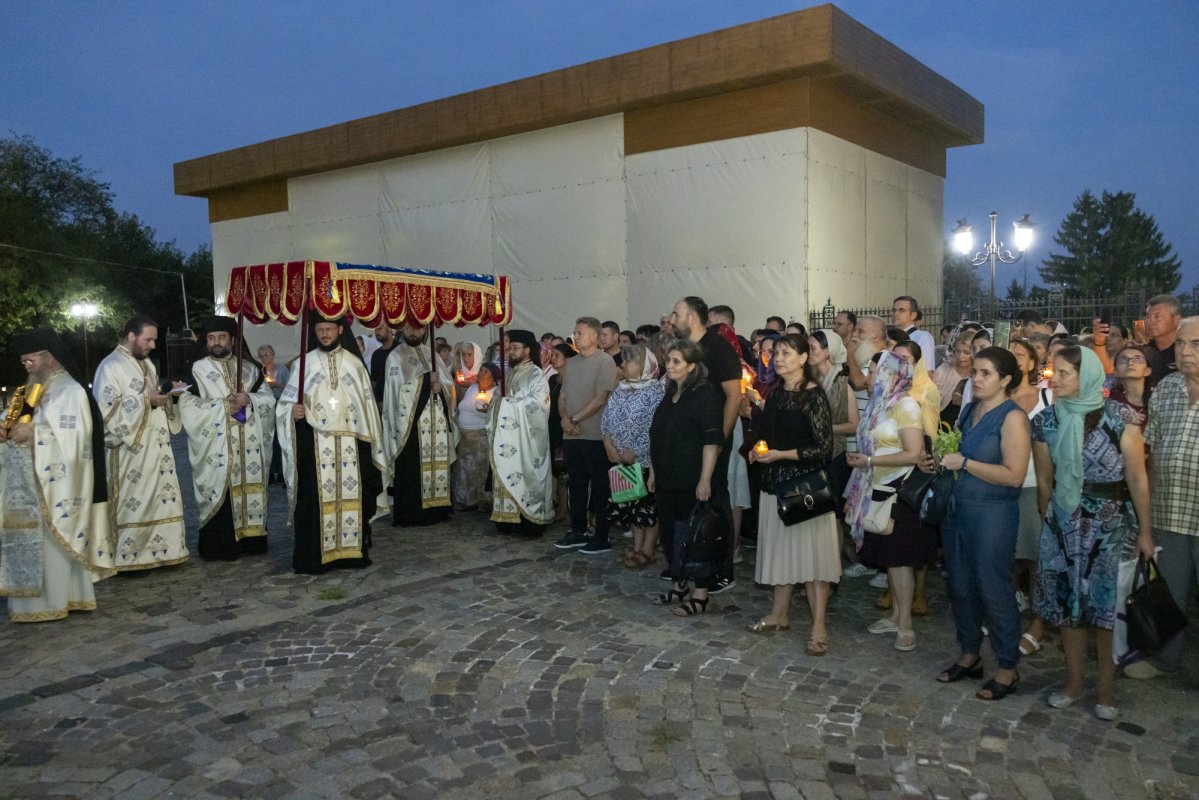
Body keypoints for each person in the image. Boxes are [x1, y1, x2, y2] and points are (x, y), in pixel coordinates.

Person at [1032, 346, 1153, 720]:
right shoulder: (1046, 421)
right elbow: (1045, 481)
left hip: (1110, 524)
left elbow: (1136, 476)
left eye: (1065, 373)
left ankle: (1105, 688)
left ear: (1085, 376)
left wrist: (1145, 532)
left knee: (1103, 607)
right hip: (1065, 520)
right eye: (1056, 372)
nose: (1057, 379)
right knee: (1070, 605)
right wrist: (1053, 526)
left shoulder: (1119, 418)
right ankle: (1073, 682)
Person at [934, 348, 1031, 699]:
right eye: (974, 371)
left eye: (985, 373)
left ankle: (1007, 667)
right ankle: (970, 654)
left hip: (993, 515)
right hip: (958, 511)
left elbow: (1014, 475)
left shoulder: (1013, 418)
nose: (976, 378)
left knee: (994, 589)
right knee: (960, 586)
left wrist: (964, 464)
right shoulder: (970, 411)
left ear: (1005, 380)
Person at [1, 327, 114, 621]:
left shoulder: (72, 391)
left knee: (54, 545)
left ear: (48, 356)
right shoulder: (29, 390)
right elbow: (13, 419)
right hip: (26, 485)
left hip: (57, 485)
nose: (26, 366)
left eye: (31, 361)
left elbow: (77, 437)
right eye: (23, 362)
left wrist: (34, 432)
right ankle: (29, 605)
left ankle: (61, 600)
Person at [745, 334, 839, 654]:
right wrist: (757, 451)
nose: (778, 358)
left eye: (787, 353)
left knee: (813, 561)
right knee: (781, 554)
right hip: (773, 484)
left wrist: (781, 455)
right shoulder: (773, 395)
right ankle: (779, 615)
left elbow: (824, 448)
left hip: (805, 486)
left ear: (803, 359)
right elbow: (765, 435)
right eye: (776, 353)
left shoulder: (813, 396)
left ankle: (818, 627)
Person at [276, 313, 387, 574]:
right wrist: (292, 412)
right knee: (313, 501)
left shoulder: (354, 365)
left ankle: (350, 553)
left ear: (339, 329)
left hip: (350, 445)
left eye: (329, 329)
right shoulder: (305, 364)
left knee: (352, 496)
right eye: (319, 329)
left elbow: (367, 411)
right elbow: (285, 403)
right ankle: (315, 556)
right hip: (314, 446)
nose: (324, 334)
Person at [1125, 316, 1199, 681]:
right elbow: (1150, 454)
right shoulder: (1167, 388)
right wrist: (1146, 519)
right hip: (1170, 512)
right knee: (1169, 592)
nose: (1185, 352)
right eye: (1182, 344)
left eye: (1195, 344)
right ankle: (1165, 659)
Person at [844, 352, 933, 651]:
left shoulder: (906, 405)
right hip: (876, 489)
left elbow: (913, 452)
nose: (868, 378)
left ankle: (906, 625)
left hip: (897, 493)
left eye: (873, 372)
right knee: (889, 560)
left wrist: (868, 461)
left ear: (890, 374)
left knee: (899, 561)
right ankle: (895, 616)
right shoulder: (880, 405)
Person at [92, 314, 189, 571]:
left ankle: (165, 552)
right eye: (148, 340)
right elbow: (104, 411)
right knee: (134, 502)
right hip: (129, 451)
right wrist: (146, 401)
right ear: (131, 336)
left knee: (160, 498)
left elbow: (152, 396)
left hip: (157, 447)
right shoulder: (110, 366)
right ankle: (132, 557)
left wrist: (167, 393)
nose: (153, 346)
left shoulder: (147, 365)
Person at [176, 316, 276, 560]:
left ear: (232, 339)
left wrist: (249, 400)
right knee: (221, 491)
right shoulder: (197, 369)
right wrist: (222, 407)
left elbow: (269, 400)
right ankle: (220, 546)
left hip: (248, 447)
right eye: (211, 338)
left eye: (221, 338)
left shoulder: (251, 368)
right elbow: (187, 404)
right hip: (216, 449)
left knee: (249, 488)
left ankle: (251, 540)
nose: (216, 343)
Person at [672, 296, 742, 593]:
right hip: (689, 441)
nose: (673, 319)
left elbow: (734, 396)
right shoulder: (688, 350)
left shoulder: (719, 348)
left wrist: (720, 438)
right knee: (693, 504)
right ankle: (693, 565)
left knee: (716, 503)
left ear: (692, 317)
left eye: (677, 314)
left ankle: (722, 569)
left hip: (713, 439)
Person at [649, 339, 724, 616]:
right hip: (668, 477)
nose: (670, 366)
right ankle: (680, 585)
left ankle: (701, 594)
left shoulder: (705, 394)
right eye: (668, 360)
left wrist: (705, 480)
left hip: (692, 478)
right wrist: (654, 472)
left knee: (696, 535)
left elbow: (711, 440)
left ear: (692, 366)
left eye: (677, 361)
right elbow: (658, 436)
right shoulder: (670, 394)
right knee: (671, 534)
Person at [555, 317, 619, 553]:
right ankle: (578, 530)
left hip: (594, 435)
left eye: (580, 332)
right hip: (572, 434)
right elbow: (562, 397)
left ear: (594, 336)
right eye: (575, 332)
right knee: (577, 484)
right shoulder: (571, 363)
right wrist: (565, 419)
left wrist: (574, 419)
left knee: (600, 487)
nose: (575, 336)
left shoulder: (605, 362)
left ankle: (602, 535)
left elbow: (601, 397)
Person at [382, 322, 456, 526]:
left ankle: (437, 510)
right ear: (402, 331)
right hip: (409, 427)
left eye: (418, 329)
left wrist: (440, 387)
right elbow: (396, 392)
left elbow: (448, 386)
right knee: (411, 468)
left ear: (425, 330)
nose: (413, 333)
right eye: (408, 329)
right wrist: (425, 382)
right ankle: (412, 513)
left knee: (436, 462)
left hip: (434, 423)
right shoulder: (395, 357)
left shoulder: (432, 354)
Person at [1007, 337, 1053, 655]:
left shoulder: (1045, 396)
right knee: (1006, 557)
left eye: (1020, 354)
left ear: (1032, 363)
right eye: (1009, 354)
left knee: (1037, 558)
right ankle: (1007, 614)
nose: (1014, 358)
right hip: (1002, 486)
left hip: (1035, 485)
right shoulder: (995, 396)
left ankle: (1038, 621)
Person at [601, 344, 665, 568]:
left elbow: (655, 428)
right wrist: (608, 443)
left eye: (629, 361)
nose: (623, 365)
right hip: (621, 459)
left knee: (648, 507)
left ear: (644, 365)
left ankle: (648, 549)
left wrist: (635, 452)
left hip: (646, 460)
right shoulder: (621, 388)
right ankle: (637, 546)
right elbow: (607, 418)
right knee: (632, 504)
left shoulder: (655, 391)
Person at [486, 331, 554, 536]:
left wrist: (507, 404)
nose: (511, 352)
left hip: (527, 441)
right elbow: (497, 399)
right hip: (508, 439)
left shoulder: (535, 374)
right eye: (510, 348)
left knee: (526, 477)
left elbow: (538, 405)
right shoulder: (510, 373)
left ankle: (529, 522)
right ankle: (507, 520)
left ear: (527, 350)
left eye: (515, 348)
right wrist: (496, 404)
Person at [453, 364, 497, 512]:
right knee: (465, 468)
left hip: (480, 435)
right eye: (481, 370)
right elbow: (463, 406)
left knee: (480, 469)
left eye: (486, 371)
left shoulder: (495, 392)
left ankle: (482, 500)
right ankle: (465, 499)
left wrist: (487, 409)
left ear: (493, 376)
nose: (481, 374)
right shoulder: (472, 389)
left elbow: (494, 413)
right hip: (464, 435)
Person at [546, 343, 576, 522]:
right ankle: (561, 507)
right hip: (553, 427)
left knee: (567, 470)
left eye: (557, 355)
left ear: (568, 359)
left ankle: (569, 509)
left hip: (568, 427)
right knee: (557, 469)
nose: (553, 358)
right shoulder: (552, 380)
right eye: (552, 355)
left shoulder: (574, 379)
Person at [1107, 344, 1161, 430]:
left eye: (1137, 359)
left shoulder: (1159, 401)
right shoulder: (1110, 401)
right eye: (1123, 359)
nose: (1130, 363)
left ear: (1147, 371)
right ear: (1115, 371)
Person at [258, 344, 289, 483]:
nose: (265, 357)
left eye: (267, 354)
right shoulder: (260, 371)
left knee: (280, 439)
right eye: (262, 355)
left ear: (273, 354)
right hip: (265, 408)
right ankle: (269, 471)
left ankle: (283, 472)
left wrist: (276, 385)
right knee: (266, 439)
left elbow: (289, 388)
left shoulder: (281, 369)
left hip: (279, 404)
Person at [933, 332, 973, 426]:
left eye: (966, 352)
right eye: (957, 351)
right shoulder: (942, 371)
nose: (961, 356)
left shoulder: (977, 376)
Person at [891, 296, 937, 371]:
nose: (896, 314)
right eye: (894, 310)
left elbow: (928, 371)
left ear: (913, 315)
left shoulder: (923, 337)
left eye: (901, 310)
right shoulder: (889, 337)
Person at [1145, 293, 1182, 374]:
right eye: (1148, 317)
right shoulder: (1144, 352)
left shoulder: (1185, 352)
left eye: (1157, 316)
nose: (1150, 322)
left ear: (1176, 319)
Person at [370, 323, 396, 402]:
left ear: (389, 328)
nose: (377, 332)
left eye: (380, 328)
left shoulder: (400, 349)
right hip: (382, 401)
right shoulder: (376, 354)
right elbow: (374, 381)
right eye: (375, 330)